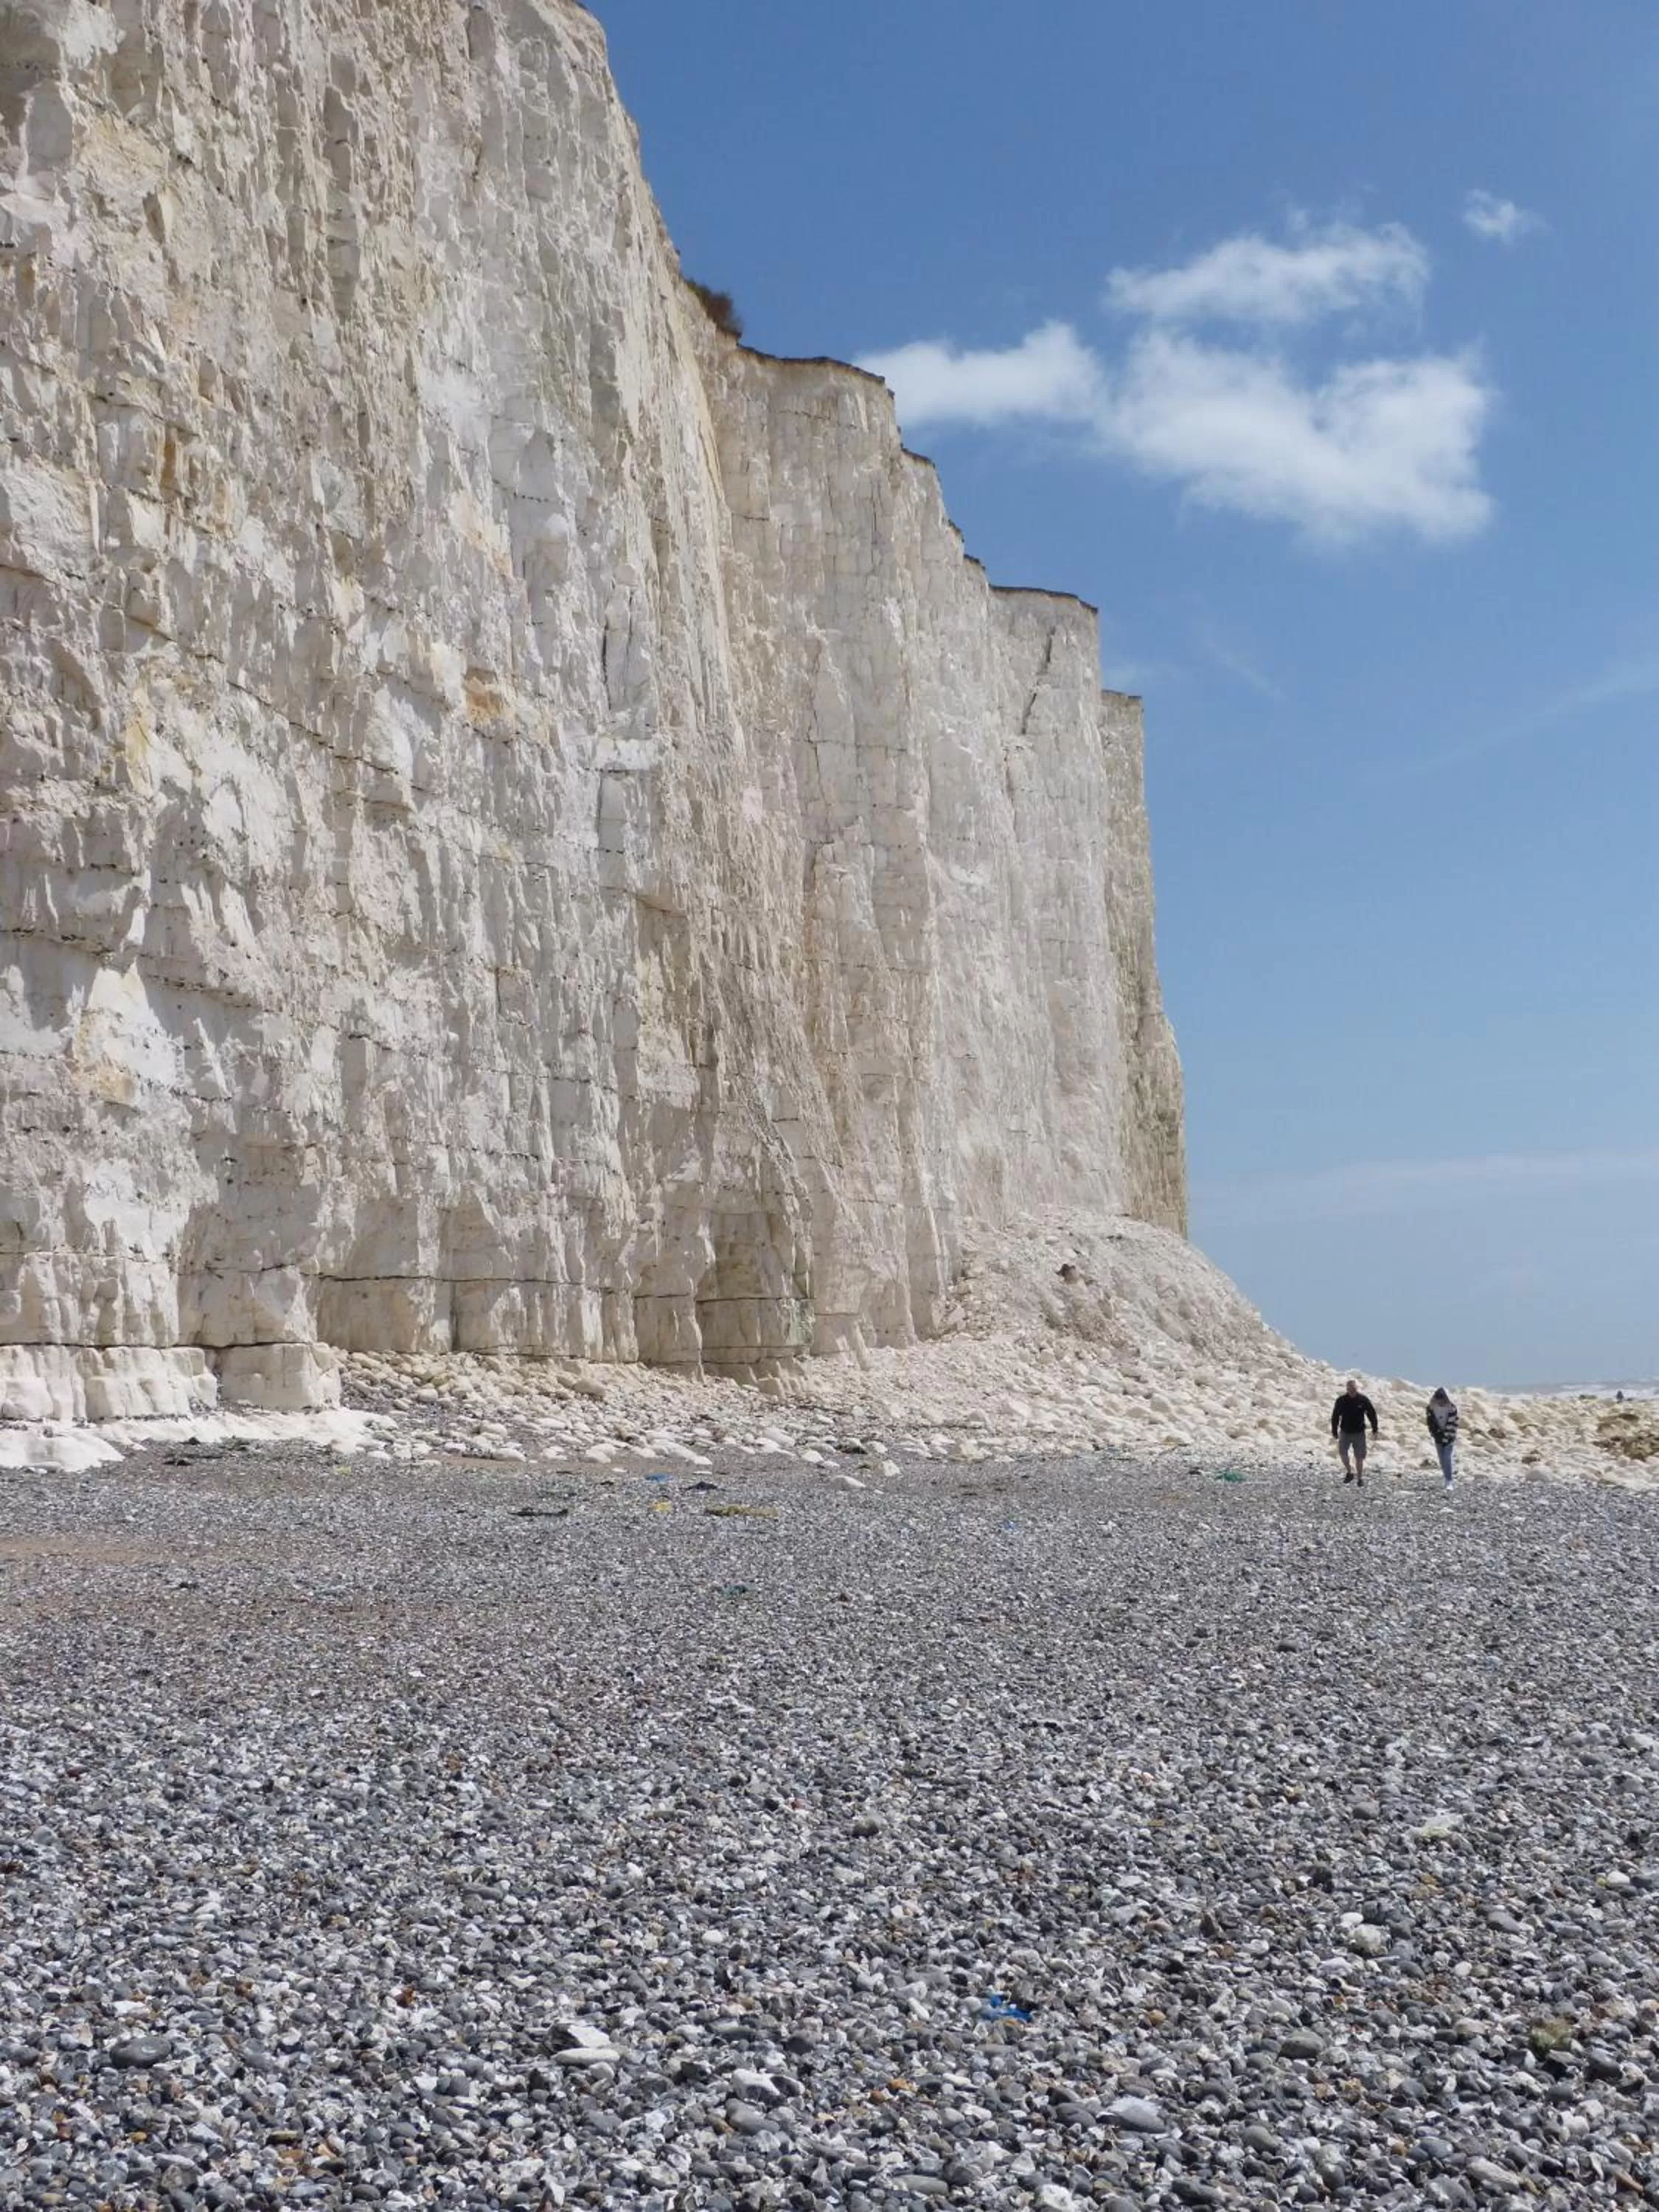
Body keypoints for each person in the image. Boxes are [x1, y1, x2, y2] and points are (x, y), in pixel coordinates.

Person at [1330, 1378, 1380, 1484]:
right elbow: (1335, 1416)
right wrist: (1334, 1430)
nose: (1352, 1392)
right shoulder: (1341, 1401)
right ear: (1347, 1389)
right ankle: (1349, 1472)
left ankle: (1360, 1479)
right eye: (1350, 1390)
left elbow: (1371, 1414)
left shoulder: (1363, 1400)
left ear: (1357, 1389)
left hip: (1359, 1433)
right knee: (1343, 1453)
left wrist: (1375, 1429)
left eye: (1354, 1389)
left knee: (1359, 1457)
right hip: (1345, 1432)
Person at [1426, 1387, 1459, 1490]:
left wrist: (1447, 1437)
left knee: (1447, 1458)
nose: (1441, 1402)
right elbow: (1430, 1421)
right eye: (1439, 1400)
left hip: (1449, 1435)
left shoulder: (1452, 1408)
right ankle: (1446, 1478)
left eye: (1443, 1400)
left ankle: (1449, 1481)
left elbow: (1454, 1423)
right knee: (1441, 1460)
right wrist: (1434, 1433)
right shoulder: (1431, 1407)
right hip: (1438, 1436)